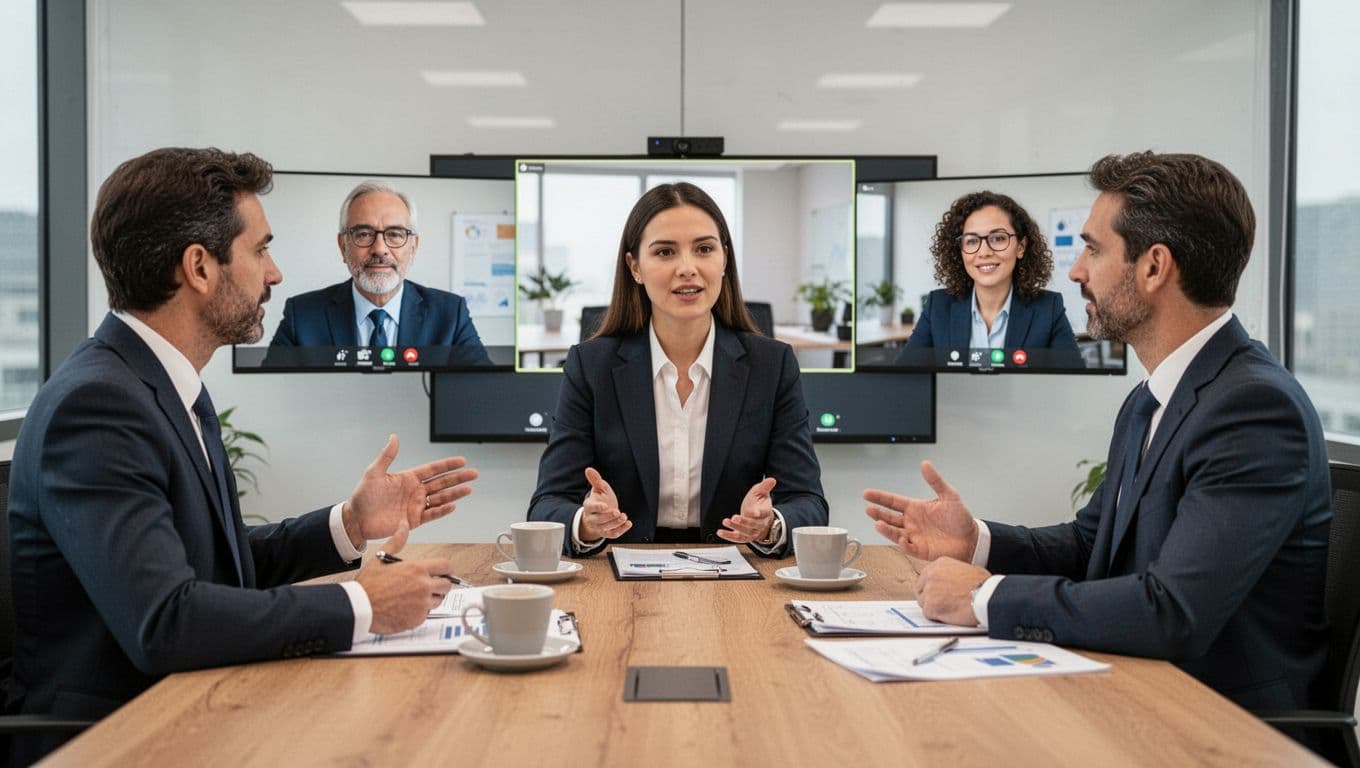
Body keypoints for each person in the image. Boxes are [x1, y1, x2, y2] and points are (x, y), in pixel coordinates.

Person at [6, 148, 479, 761]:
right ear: (199, 268)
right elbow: (167, 620)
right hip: (125, 739)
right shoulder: (99, 405)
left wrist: (350, 525)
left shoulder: (160, 386)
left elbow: (214, 566)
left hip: (198, 707)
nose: (276, 273)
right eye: (260, 250)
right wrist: (364, 602)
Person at [866, 152, 1330, 715]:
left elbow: (1173, 611)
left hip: (1218, 723)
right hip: (1135, 692)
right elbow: (1094, 545)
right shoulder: (1151, 398)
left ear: (1154, 267)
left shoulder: (1253, 408)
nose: (1076, 271)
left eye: (1093, 248)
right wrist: (979, 542)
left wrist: (983, 596)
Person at [527, 182, 827, 556]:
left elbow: (809, 503)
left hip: (735, 575)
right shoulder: (592, 366)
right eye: (665, 252)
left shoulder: (772, 365)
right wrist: (586, 524)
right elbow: (547, 503)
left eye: (704, 249)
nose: (688, 268)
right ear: (635, 267)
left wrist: (770, 525)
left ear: (724, 259)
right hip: (622, 573)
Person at [267, 180, 492, 364]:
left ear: (413, 247)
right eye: (363, 234)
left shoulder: (451, 315)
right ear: (343, 246)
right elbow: (271, 392)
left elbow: (483, 389)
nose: (379, 249)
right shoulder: (302, 316)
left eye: (394, 234)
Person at [898, 191, 1080, 366]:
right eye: (971, 241)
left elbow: (1072, 383)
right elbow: (903, 378)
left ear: (1020, 247)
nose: (984, 252)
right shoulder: (938, 307)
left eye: (998, 238)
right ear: (960, 251)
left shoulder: (1048, 309)